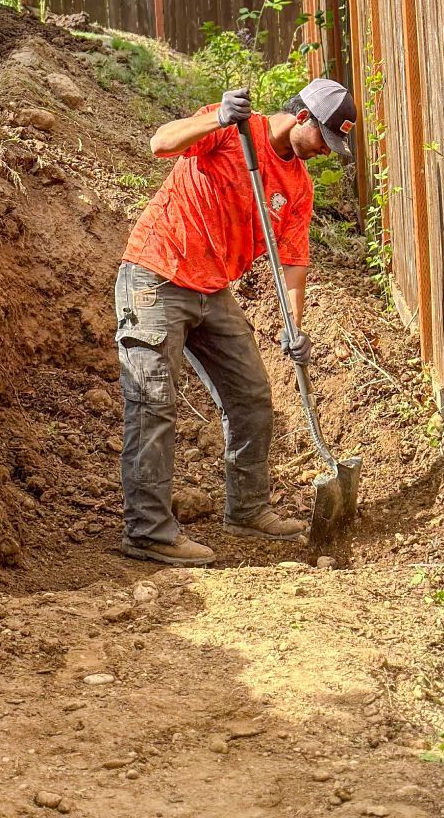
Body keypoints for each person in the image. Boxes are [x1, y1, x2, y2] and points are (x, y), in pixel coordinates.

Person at [115, 76, 357, 567]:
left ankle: (246, 509)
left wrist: (295, 325)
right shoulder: (231, 130)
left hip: (211, 288)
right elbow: (161, 142)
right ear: (302, 117)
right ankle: (148, 531)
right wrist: (217, 116)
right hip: (157, 272)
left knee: (251, 396)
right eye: (323, 140)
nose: (326, 152)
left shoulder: (298, 185)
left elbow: (293, 263)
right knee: (153, 402)